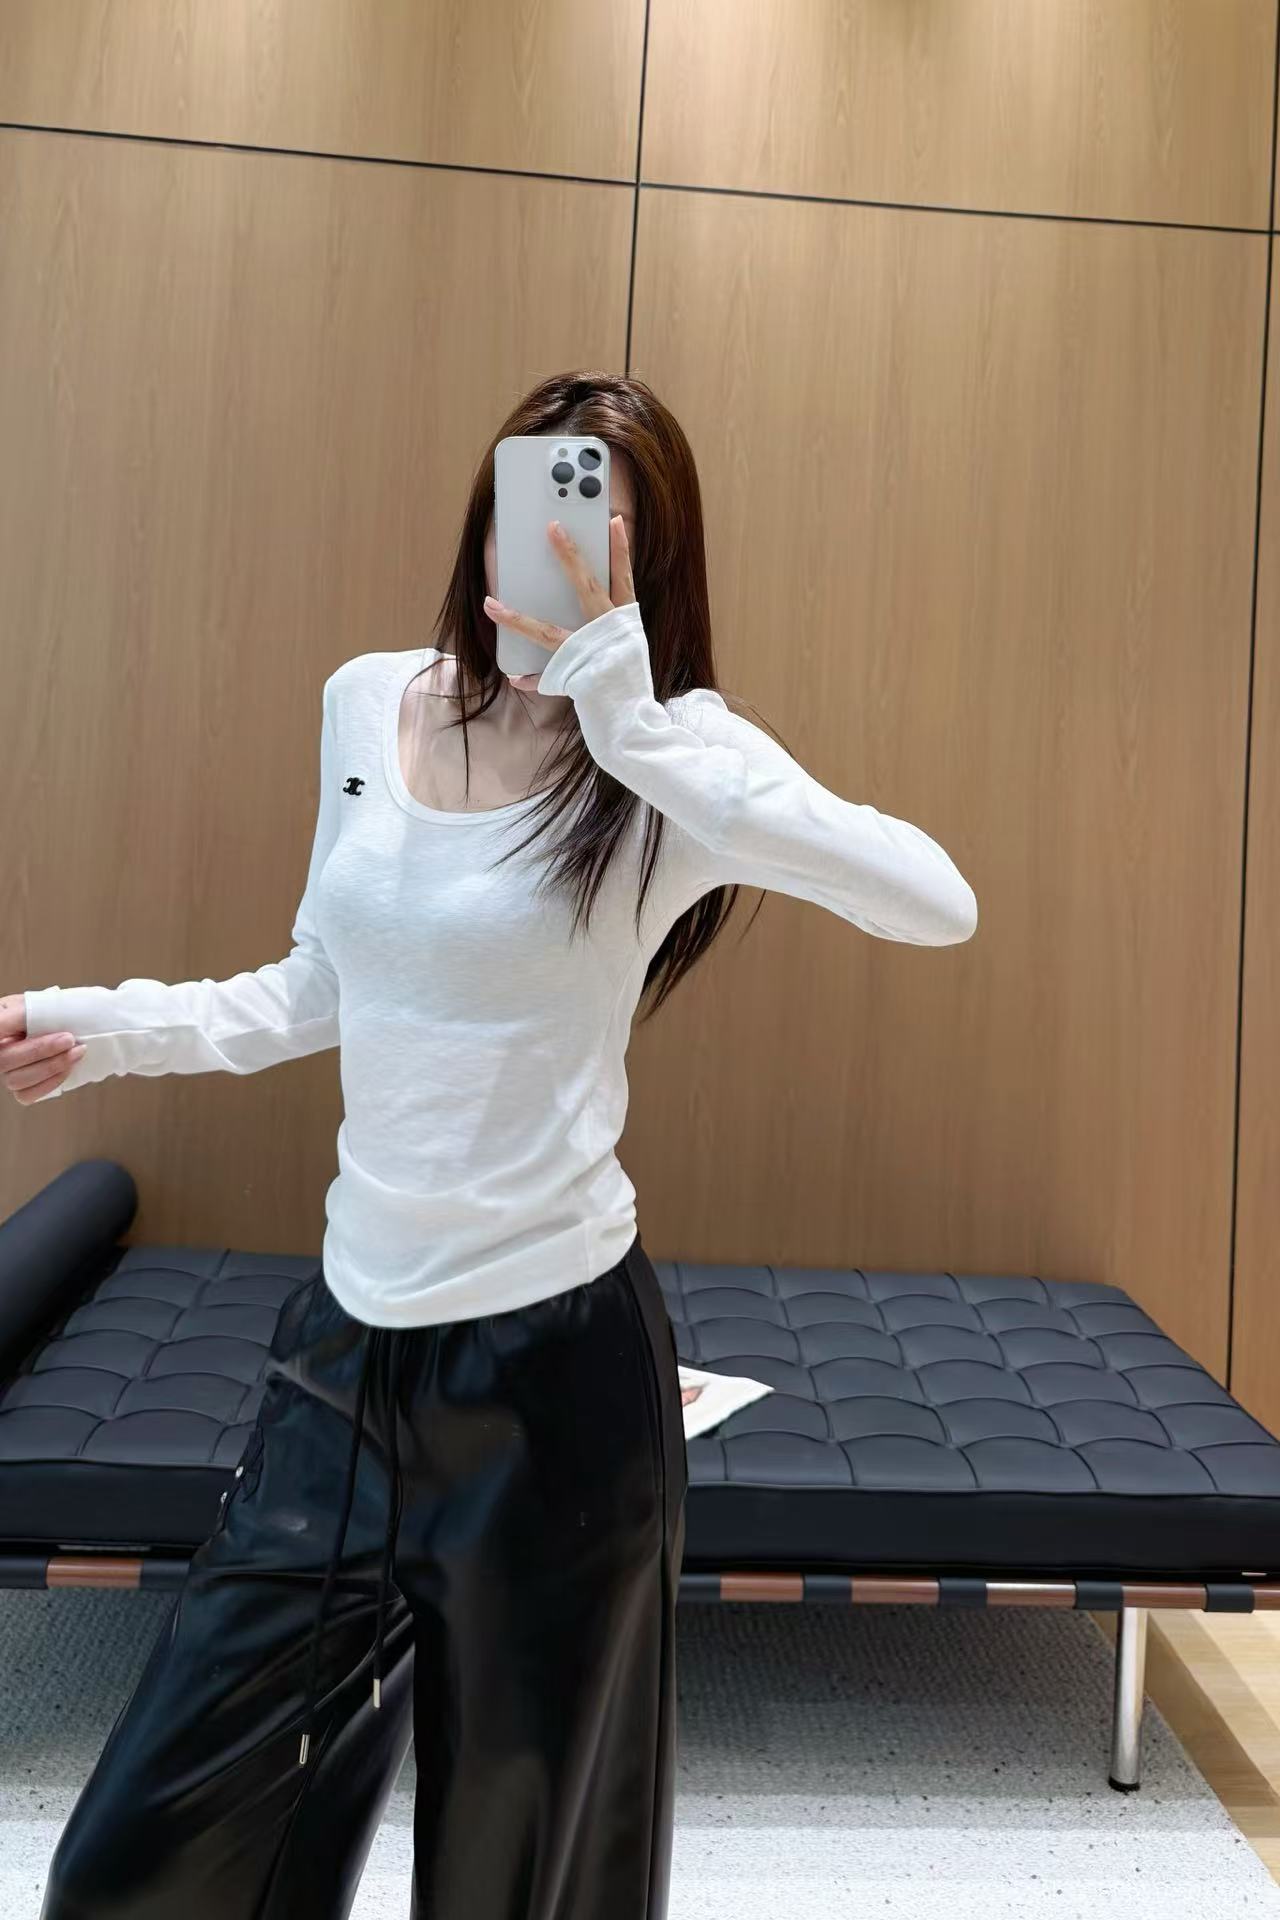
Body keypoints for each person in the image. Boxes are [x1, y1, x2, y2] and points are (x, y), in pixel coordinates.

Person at [3, 369, 978, 1919]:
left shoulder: (673, 761)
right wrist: (100, 1026)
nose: (562, 556)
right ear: (492, 518)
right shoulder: (366, 700)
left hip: (555, 1387)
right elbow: (323, 982)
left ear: (654, 571)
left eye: (609, 537)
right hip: (344, 1365)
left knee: (513, 1887)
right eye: (543, 513)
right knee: (139, 1866)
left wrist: (635, 723)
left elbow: (936, 901)